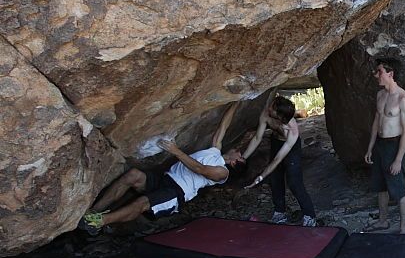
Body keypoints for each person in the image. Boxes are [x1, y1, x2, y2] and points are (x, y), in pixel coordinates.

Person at [77, 102, 245, 235]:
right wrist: (238, 102)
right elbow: (223, 127)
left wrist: (175, 151)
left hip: (176, 192)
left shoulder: (223, 173)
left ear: (234, 163)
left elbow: (200, 169)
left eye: (240, 155)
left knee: (141, 203)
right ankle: (94, 211)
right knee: (133, 175)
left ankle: (97, 222)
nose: (239, 151)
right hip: (166, 179)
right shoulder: (215, 152)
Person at [243, 90, 317, 227]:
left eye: (272, 107)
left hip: (291, 147)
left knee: (294, 181)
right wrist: (243, 158)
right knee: (275, 179)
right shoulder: (266, 114)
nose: (269, 108)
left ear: (279, 116)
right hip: (276, 142)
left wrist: (260, 177)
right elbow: (257, 138)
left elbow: (277, 160)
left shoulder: (292, 130)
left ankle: (309, 215)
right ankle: (279, 212)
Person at [364, 58, 405, 234]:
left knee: (398, 186)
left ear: (390, 74)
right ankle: (383, 221)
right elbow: (376, 122)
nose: (376, 75)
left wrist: (398, 160)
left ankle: (403, 226)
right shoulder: (380, 95)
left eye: (379, 72)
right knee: (380, 186)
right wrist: (370, 147)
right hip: (380, 144)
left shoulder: (403, 99)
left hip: (395, 145)